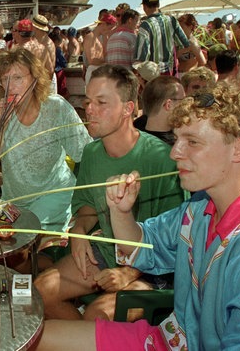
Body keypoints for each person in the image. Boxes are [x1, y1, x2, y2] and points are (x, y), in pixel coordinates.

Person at [37, 86, 240, 350]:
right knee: (36, 338)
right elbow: (145, 244)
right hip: (172, 339)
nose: (175, 153)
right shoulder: (201, 206)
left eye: (192, 142)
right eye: (177, 139)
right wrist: (121, 212)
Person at [34, 65, 185, 322]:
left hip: (154, 270)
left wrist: (131, 273)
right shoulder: (92, 153)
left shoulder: (162, 159)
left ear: (128, 108)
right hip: (107, 253)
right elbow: (87, 209)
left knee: (97, 315)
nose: (89, 109)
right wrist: (79, 232)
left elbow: (175, 241)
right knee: (40, 292)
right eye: (88, 101)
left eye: (101, 102)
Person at [0, 47, 91, 246]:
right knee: (12, 249)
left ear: (35, 78)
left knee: (31, 243)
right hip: (15, 199)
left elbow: (86, 154)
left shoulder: (56, 108)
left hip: (54, 193)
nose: (9, 87)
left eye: (17, 78)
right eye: (4, 80)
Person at [134, 0, 190, 75]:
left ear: (144, 6)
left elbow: (142, 56)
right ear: (158, 4)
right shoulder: (172, 20)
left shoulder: (145, 25)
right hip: (170, 71)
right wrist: (173, 58)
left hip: (153, 73)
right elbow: (186, 45)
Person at [133, 75, 185, 146]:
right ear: (168, 105)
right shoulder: (175, 148)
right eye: (183, 100)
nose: (186, 105)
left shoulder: (131, 133)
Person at [84, 13, 116, 84]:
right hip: (94, 72)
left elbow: (105, 54)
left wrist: (105, 37)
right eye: (109, 28)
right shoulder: (90, 37)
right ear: (103, 24)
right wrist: (108, 63)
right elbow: (91, 60)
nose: (109, 31)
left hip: (100, 72)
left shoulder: (101, 37)